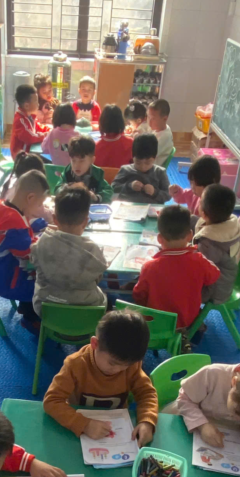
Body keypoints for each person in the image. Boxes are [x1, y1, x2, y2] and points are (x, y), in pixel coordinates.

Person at [43, 308, 158, 445]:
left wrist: (147, 421)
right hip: (80, 428)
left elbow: (147, 393)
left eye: (126, 366)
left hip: (117, 428)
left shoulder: (132, 365)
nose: (118, 370)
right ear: (95, 344)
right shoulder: (75, 364)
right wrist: (84, 424)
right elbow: (51, 401)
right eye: (112, 363)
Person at [0, 169, 49, 325]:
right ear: (30, 198)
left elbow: (20, 233)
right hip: (2, 279)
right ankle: (31, 319)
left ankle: (25, 306)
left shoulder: (2, 206)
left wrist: (39, 226)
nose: (40, 208)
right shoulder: (16, 226)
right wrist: (48, 240)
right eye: (39, 204)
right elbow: (30, 253)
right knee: (43, 285)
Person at [132, 205, 219, 332]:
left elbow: (138, 295)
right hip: (187, 322)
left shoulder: (149, 267)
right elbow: (215, 274)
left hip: (155, 324)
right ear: (190, 235)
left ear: (159, 239)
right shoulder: (199, 261)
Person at [30, 183, 108, 315]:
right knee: (105, 296)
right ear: (85, 221)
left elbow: (35, 263)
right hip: (87, 311)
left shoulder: (41, 243)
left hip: (46, 308)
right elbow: (97, 277)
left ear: (54, 219)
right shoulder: (93, 250)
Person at [193, 184, 240, 304]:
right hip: (226, 281)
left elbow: (195, 268)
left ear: (203, 213)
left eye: (200, 200)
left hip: (214, 291)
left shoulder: (207, 244)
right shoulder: (231, 225)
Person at [112, 133, 171, 204]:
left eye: (147, 163)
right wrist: (129, 186)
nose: (143, 166)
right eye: (138, 162)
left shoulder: (160, 172)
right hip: (128, 207)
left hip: (151, 208)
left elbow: (168, 194)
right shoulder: (125, 170)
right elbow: (113, 187)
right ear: (132, 157)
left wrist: (154, 192)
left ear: (155, 158)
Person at [55, 135, 112, 204]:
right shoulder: (67, 173)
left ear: (92, 160)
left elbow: (108, 191)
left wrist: (96, 197)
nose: (76, 165)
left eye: (81, 161)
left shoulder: (97, 174)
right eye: (73, 160)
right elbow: (57, 190)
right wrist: (67, 188)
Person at [10, 84, 44, 159]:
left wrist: (51, 130)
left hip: (29, 153)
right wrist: (44, 135)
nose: (38, 104)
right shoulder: (20, 120)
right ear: (26, 106)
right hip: (21, 157)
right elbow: (30, 138)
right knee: (45, 163)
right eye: (36, 101)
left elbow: (39, 127)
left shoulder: (30, 117)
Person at [144, 99, 173, 166]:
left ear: (164, 119)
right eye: (148, 117)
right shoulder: (157, 128)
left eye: (153, 118)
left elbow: (146, 155)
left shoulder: (164, 136)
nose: (149, 121)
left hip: (150, 169)